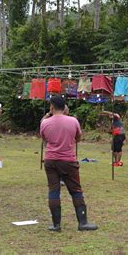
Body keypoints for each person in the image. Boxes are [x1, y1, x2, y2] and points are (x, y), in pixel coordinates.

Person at [40, 96, 98, 232]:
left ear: (51, 107)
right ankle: (82, 223)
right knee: (76, 190)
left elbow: (44, 138)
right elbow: (78, 138)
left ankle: (56, 225)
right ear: (65, 107)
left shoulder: (45, 122)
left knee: (53, 190)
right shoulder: (73, 121)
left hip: (50, 160)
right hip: (68, 160)